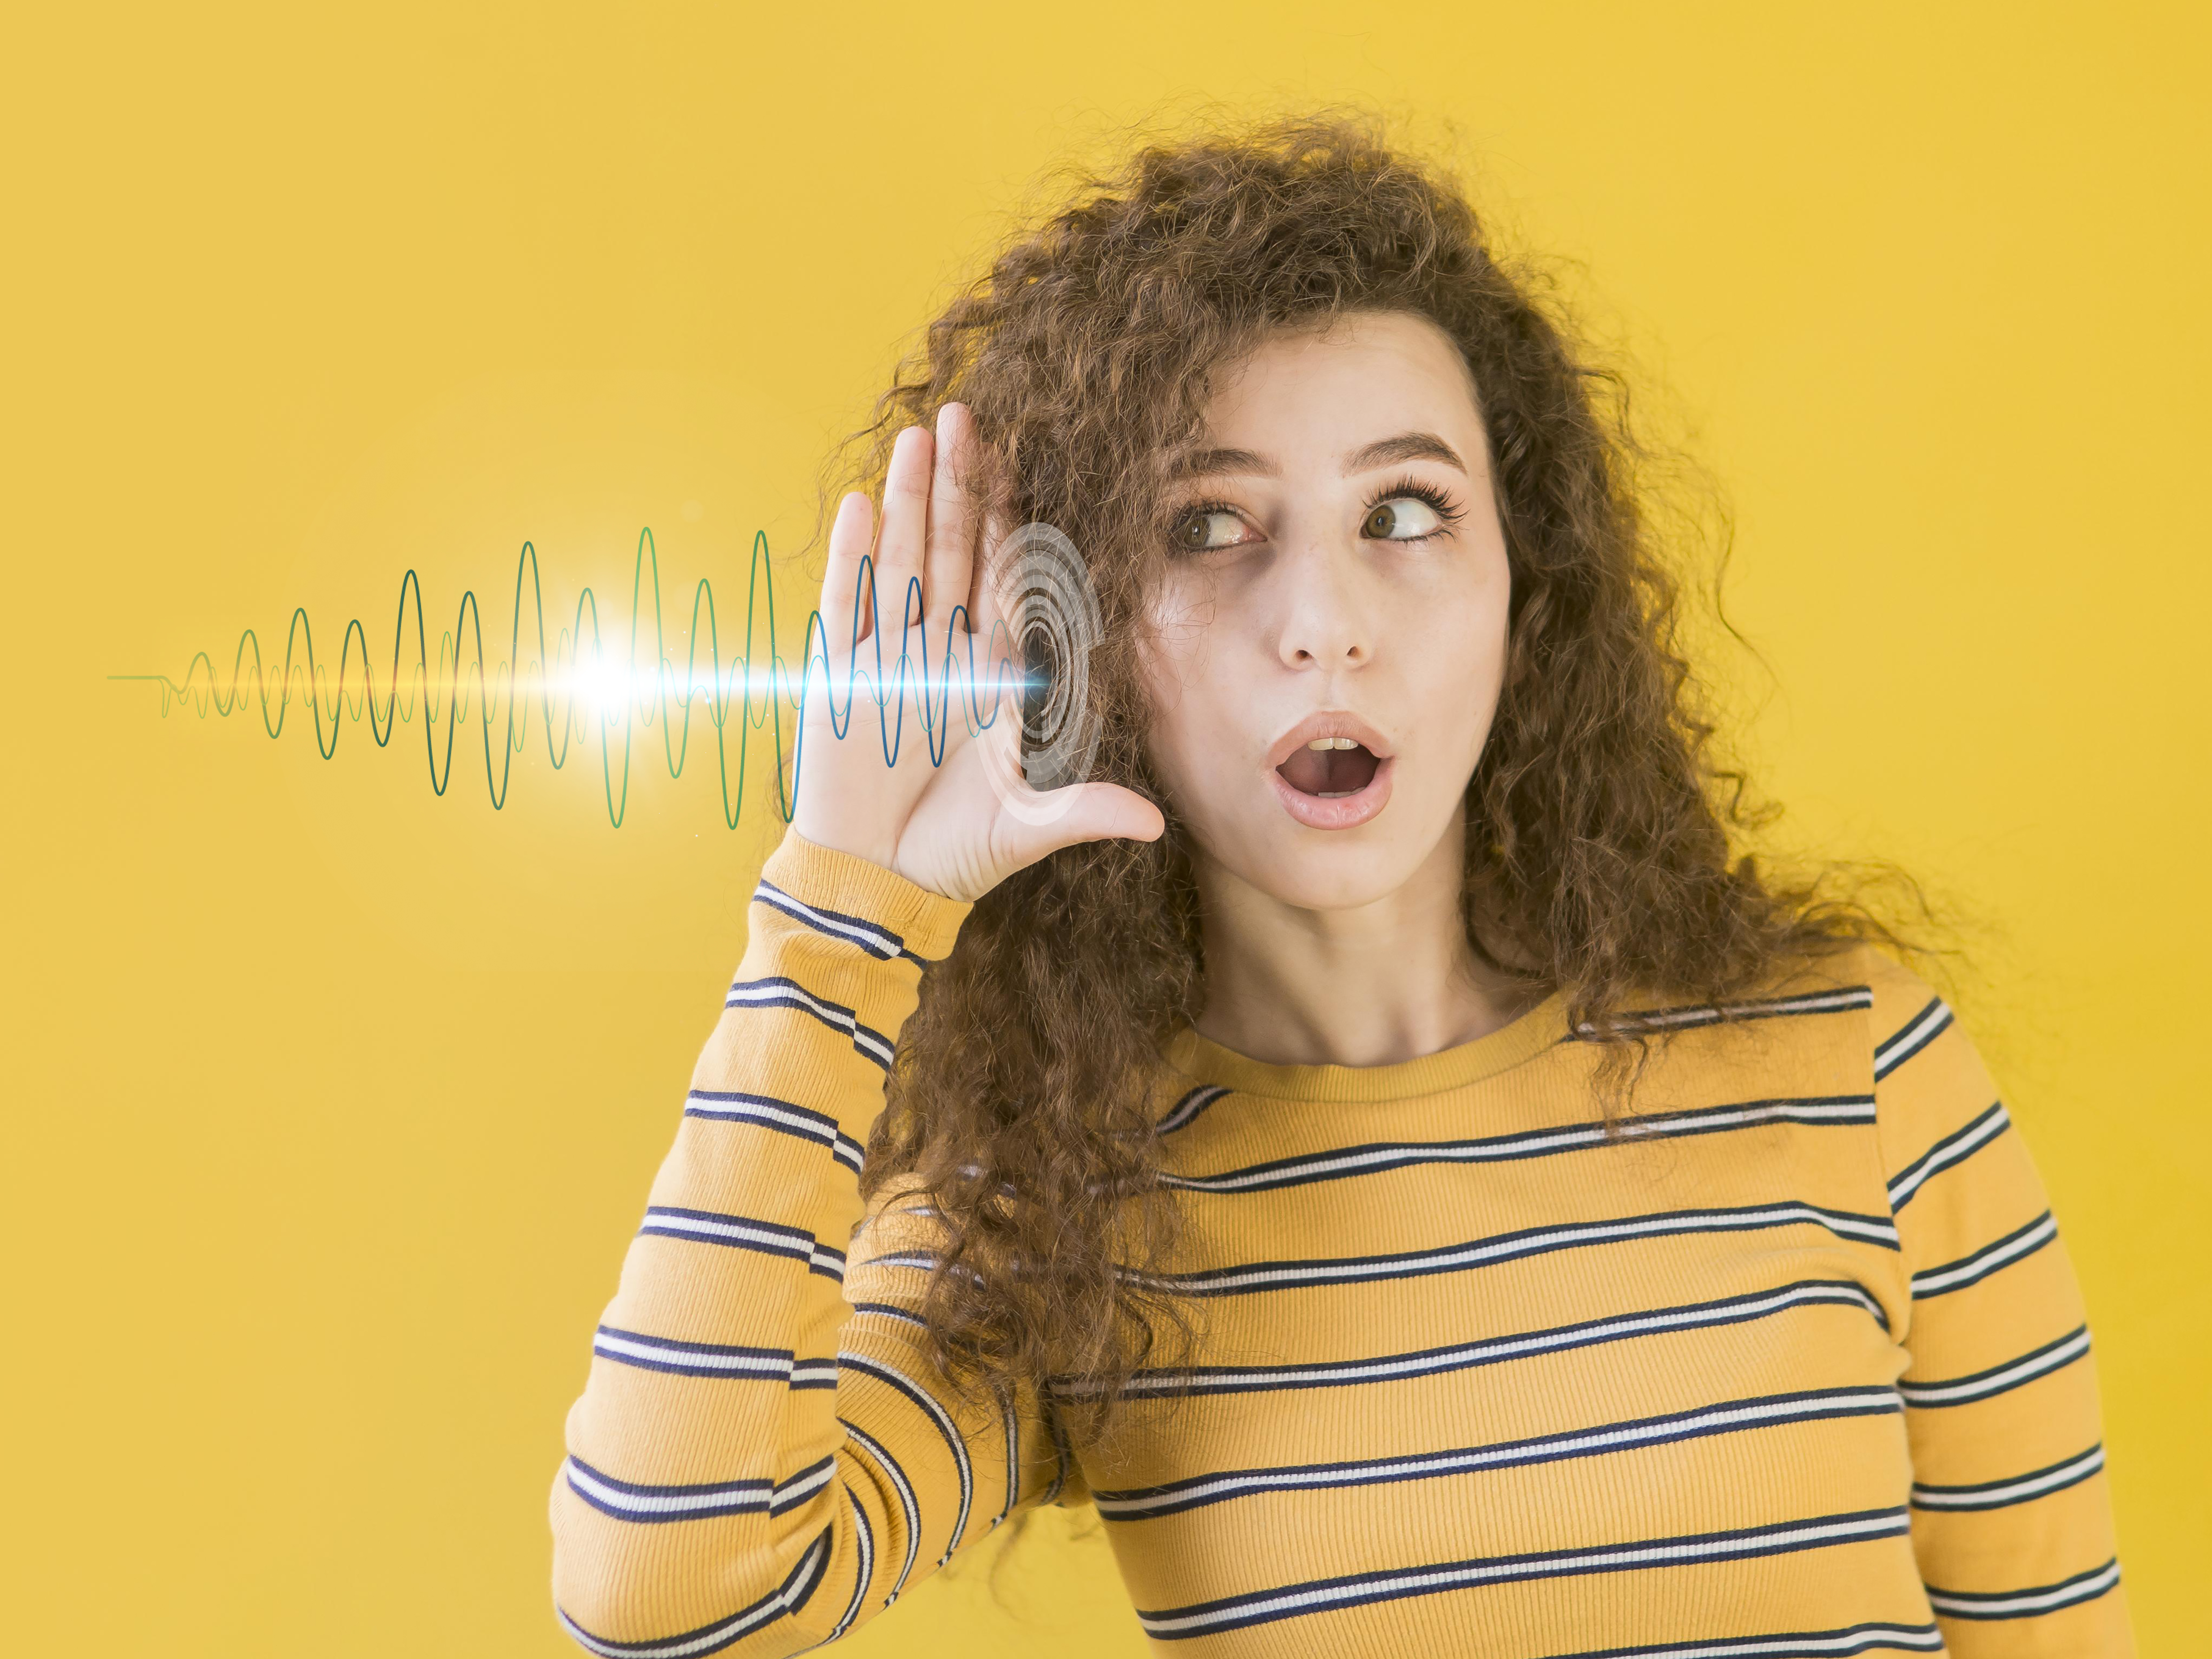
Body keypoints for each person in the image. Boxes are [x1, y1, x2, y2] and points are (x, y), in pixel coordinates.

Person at [548, 116, 2132, 1656]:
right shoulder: (1061, 1212)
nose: (1322, 620)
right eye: (1209, 525)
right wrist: (848, 903)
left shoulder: (1857, 1067)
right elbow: (669, 1587)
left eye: (1405, 511)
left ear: (1531, 585)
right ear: (1080, 637)